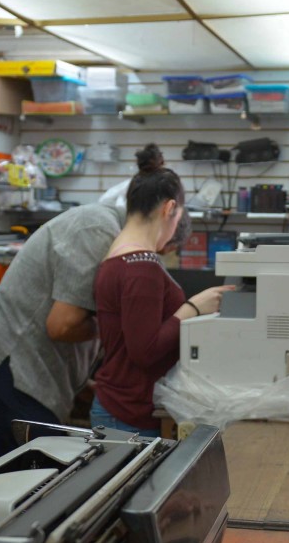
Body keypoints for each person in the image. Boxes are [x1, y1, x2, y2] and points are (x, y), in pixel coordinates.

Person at [0, 199, 123, 460]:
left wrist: (81, 384)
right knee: (22, 473)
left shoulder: (105, 228)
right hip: (10, 361)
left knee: (27, 472)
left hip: (22, 363)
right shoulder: (98, 227)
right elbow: (62, 325)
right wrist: (112, 325)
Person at [91, 144, 232, 436]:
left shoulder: (118, 255)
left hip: (119, 405)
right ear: (170, 209)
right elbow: (144, 350)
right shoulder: (142, 267)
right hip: (128, 412)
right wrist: (192, 308)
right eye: (178, 218)